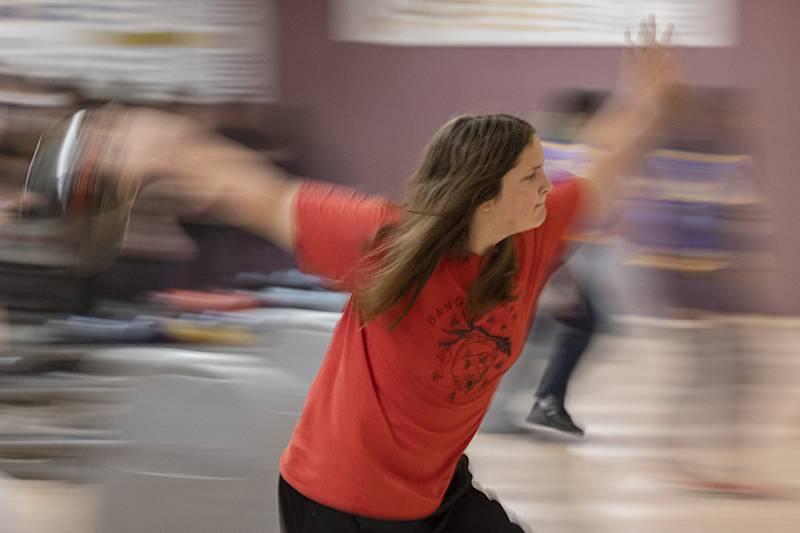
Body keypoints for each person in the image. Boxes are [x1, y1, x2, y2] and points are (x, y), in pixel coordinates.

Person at [98, 17, 674, 533]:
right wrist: (165, 145)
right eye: (530, 175)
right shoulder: (386, 241)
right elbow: (253, 194)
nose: (547, 185)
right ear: (482, 195)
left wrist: (645, 101)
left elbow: (605, 159)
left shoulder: (534, 231)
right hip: (339, 502)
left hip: (438, 489)